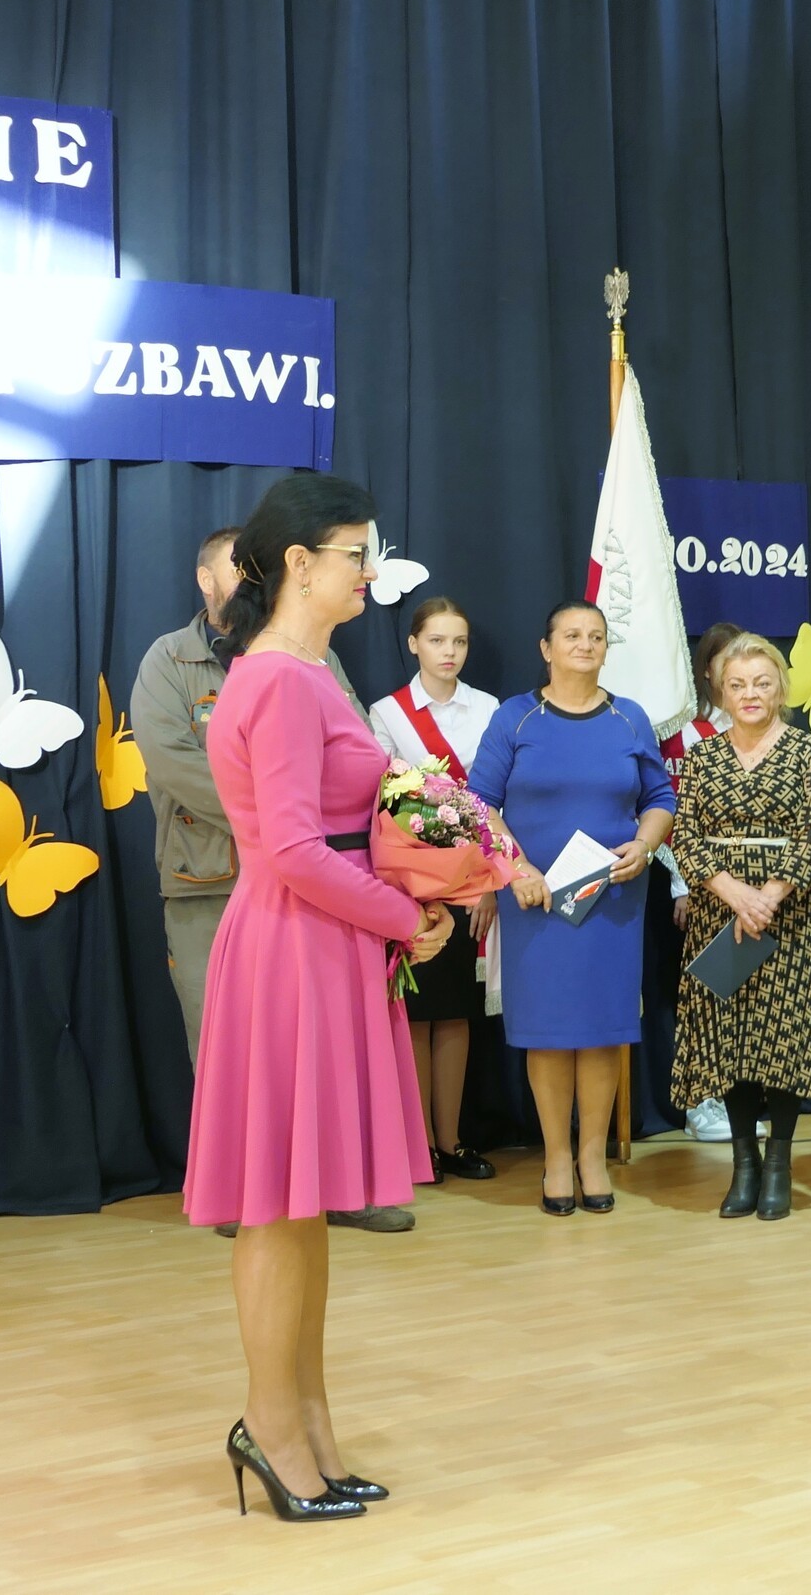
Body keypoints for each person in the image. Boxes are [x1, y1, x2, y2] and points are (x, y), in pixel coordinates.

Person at [179, 477, 457, 1521]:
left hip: (320, 941)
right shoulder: (283, 681)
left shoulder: (305, 670)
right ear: (299, 562)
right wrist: (401, 913)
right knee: (278, 1208)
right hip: (297, 945)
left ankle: (308, 1425)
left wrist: (413, 891)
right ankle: (271, 1426)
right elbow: (295, 849)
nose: (370, 573)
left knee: (305, 1209)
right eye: (356, 554)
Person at [132, 527, 411, 1237]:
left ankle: (333, 1181)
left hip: (314, 881)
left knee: (321, 1056)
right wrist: (271, 818)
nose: (248, 579)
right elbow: (171, 761)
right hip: (215, 877)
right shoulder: (174, 659)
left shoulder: (312, 659)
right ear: (207, 580)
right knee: (233, 1050)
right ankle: (251, 1192)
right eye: (236, 569)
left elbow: (355, 751)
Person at [467, 603, 674, 1217]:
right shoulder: (515, 717)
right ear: (546, 648)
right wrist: (517, 868)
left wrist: (645, 844)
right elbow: (480, 803)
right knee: (551, 1033)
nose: (585, 645)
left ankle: (592, 1158)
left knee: (604, 1032)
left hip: (612, 901)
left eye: (596, 637)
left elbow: (660, 798)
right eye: (572, 635)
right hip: (535, 901)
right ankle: (557, 1158)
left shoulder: (629, 717)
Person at [670, 635, 811, 1222]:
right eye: (737, 684)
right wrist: (734, 892)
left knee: (781, 1040)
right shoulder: (703, 758)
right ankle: (744, 1165)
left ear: (780, 687)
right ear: (721, 692)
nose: (750, 694)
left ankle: (779, 1165)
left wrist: (769, 896)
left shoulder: (807, 751)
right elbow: (685, 834)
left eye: (762, 682)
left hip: (787, 916)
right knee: (731, 1041)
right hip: (720, 913)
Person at [367, 596, 500, 1182]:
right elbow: (383, 802)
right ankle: (417, 1145)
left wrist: (490, 882)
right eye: (438, 640)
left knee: (457, 1012)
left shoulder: (490, 709)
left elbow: (494, 803)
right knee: (416, 1013)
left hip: (473, 882)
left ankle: (452, 1140)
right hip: (411, 886)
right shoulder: (387, 713)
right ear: (414, 644)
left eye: (459, 641)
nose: (450, 652)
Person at [654, 620, 743, 1144]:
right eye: (725, 660)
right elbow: (673, 817)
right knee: (700, 994)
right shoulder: (686, 733)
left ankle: (737, 1100)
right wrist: (683, 883)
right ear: (706, 670)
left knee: (736, 995)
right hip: (702, 888)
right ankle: (699, 1104)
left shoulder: (761, 730)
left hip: (753, 891)